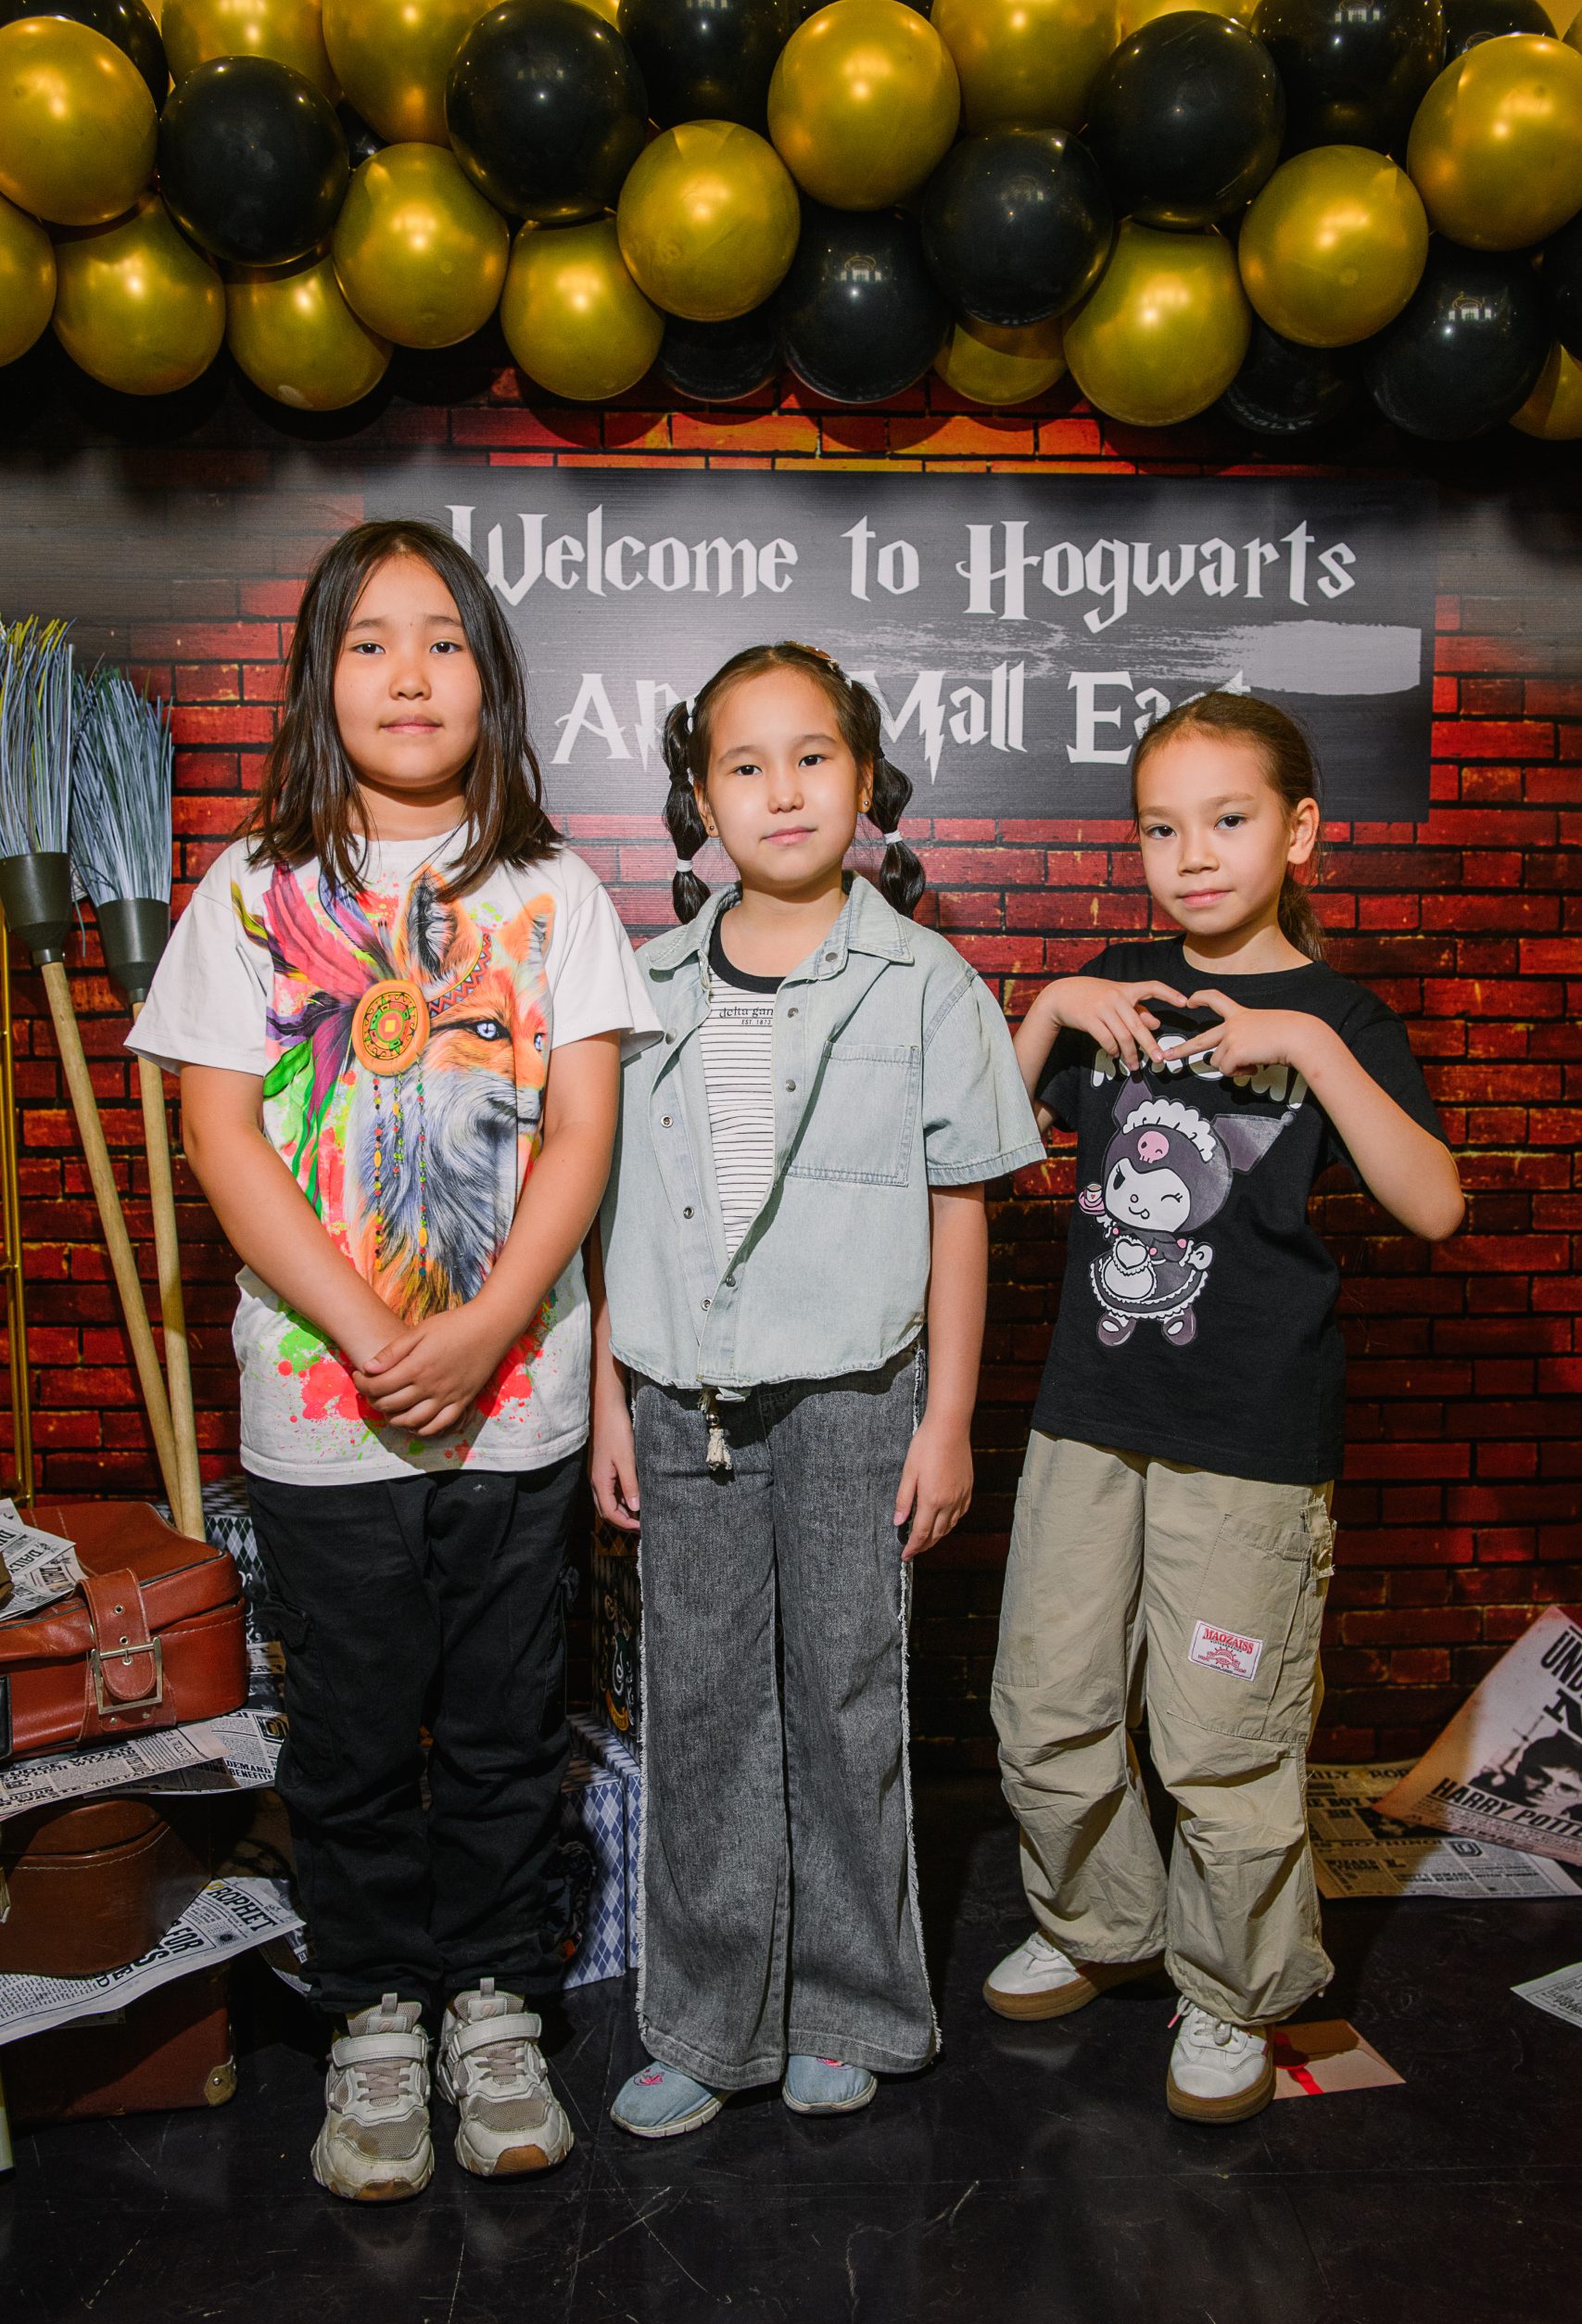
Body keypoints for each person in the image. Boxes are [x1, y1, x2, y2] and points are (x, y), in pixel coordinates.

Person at [129, 519, 656, 2201]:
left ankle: (494, 2005)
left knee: (505, 1731)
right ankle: (371, 2014)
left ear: (488, 679)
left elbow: (583, 1131)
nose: (409, 674)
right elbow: (220, 1133)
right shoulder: (249, 890)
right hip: (323, 1414)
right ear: (319, 681)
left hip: (518, 1414)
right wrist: (363, 1329)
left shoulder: (553, 893)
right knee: (349, 1738)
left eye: (442, 641)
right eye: (369, 642)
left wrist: (491, 1322)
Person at [987, 692, 1464, 2124]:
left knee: (1220, 1736)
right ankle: (1101, 1926)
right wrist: (1049, 1008)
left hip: (1249, 1444)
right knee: (1048, 1702)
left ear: (1301, 830)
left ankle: (1235, 1988)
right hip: (1087, 1419)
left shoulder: (1342, 1016)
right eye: (1161, 827)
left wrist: (1305, 1047)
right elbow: (975, 1151)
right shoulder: (1118, 986)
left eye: (1229, 819)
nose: (1191, 854)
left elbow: (1435, 1204)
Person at [589, 641, 1044, 2137]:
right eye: (745, 764)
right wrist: (609, 1402)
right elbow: (616, 1218)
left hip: (858, 1404)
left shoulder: (925, 984)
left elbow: (961, 1209)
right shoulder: (646, 987)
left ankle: (852, 2005)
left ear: (864, 783)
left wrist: (948, 1418)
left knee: (847, 1704)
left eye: (813, 757)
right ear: (699, 797)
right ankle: (708, 2021)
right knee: (703, 1710)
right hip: (685, 1406)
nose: (781, 791)